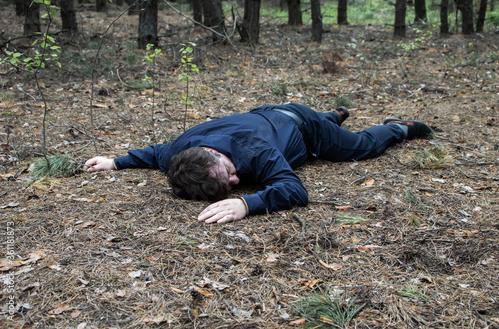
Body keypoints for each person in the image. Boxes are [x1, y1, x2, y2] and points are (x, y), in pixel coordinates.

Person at [84, 103, 433, 224]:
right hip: (269, 117)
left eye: (231, 176)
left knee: (362, 147)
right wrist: (115, 162)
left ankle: (398, 127)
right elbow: (155, 153)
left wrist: (246, 204)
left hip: (305, 129)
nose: (236, 182)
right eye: (231, 186)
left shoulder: (254, 152)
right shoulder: (179, 151)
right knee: (311, 123)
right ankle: (333, 115)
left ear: (218, 156)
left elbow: (294, 190)